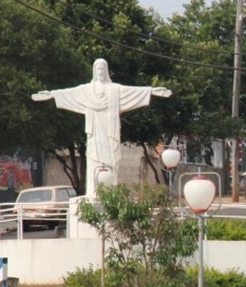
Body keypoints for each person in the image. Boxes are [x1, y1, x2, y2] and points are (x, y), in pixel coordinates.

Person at [32, 58, 172, 196]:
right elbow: (70, 93)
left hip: (110, 133)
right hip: (94, 133)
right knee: (94, 160)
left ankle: (111, 192)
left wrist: (151, 91)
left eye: (102, 69)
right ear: (94, 71)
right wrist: (52, 95)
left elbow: (132, 92)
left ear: (106, 71)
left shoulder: (115, 90)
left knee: (111, 159)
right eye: (97, 68)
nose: (100, 71)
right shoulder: (86, 91)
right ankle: (93, 191)